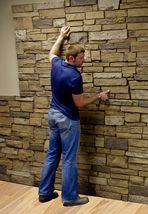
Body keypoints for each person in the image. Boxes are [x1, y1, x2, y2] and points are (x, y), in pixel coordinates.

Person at [38, 26, 109, 206]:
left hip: (53, 115)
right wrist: (97, 96)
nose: (84, 60)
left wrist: (61, 37)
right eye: (81, 57)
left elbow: (52, 52)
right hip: (67, 119)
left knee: (52, 154)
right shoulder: (74, 77)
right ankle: (69, 197)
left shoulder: (57, 64)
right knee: (69, 158)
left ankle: (45, 193)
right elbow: (79, 103)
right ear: (71, 58)